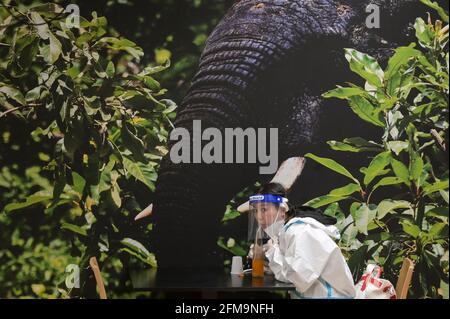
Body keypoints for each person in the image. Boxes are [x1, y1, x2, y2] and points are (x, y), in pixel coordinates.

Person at [248, 182, 356, 299]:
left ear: (282, 210)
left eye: (264, 209)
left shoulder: (301, 232)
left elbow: (299, 279)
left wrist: (272, 253)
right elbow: (290, 272)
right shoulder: (288, 231)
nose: (258, 217)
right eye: (255, 210)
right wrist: (267, 256)